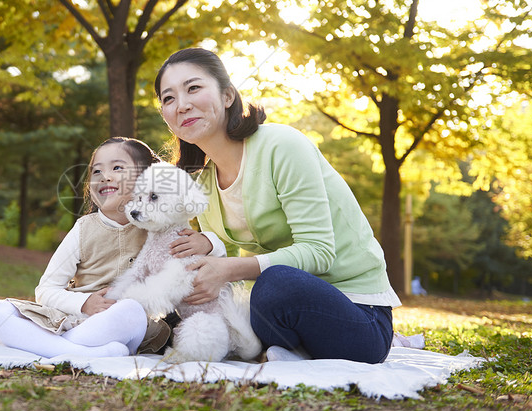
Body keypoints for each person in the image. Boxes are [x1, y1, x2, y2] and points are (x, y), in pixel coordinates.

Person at [155, 47, 402, 364]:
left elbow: (319, 251)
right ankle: (286, 352)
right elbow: (220, 259)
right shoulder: (199, 184)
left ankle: (286, 351)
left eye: (193, 88)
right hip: (277, 318)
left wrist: (227, 270)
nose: (183, 104)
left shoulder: (281, 145)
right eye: (169, 98)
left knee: (275, 286)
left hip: (358, 315)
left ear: (228, 95)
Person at [0, 137, 220, 358]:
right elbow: (46, 290)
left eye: (117, 168)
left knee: (131, 310)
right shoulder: (83, 229)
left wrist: (208, 242)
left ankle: (54, 347)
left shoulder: (159, 227)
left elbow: (204, 259)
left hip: (122, 323)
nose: (104, 176)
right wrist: (84, 304)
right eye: (96, 171)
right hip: (76, 320)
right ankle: (80, 351)